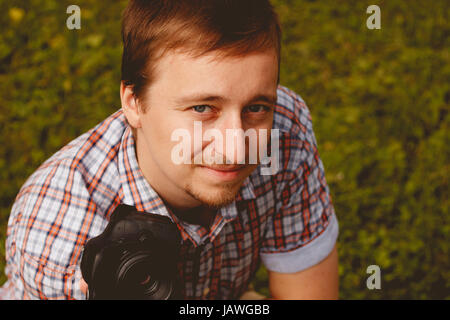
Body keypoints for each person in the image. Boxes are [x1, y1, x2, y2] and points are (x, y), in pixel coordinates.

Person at [0, 0, 339, 300]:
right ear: (133, 103)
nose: (237, 148)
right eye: (203, 108)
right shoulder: (62, 238)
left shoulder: (283, 132)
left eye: (256, 107)